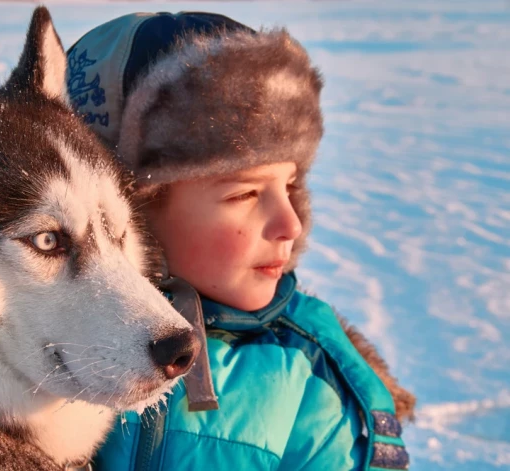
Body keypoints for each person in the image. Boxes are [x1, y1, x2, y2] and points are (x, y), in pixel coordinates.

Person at [66, 11, 413, 471]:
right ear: (126, 210)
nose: (290, 223)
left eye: (290, 187)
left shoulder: (309, 377)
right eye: (246, 193)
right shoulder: (42, 337)